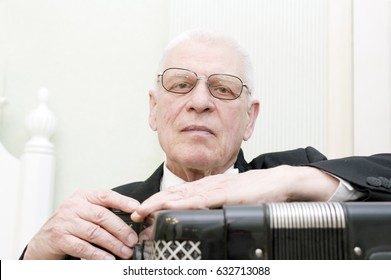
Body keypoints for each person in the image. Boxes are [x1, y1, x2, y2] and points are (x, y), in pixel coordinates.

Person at [21, 30, 391, 260]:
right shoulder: (103, 221)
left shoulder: (298, 177)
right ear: (154, 110)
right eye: (181, 84)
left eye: (223, 88)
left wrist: (299, 180)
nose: (200, 101)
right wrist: (34, 259)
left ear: (250, 118)